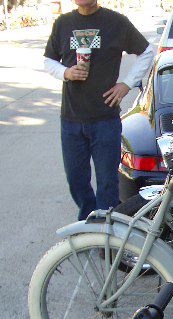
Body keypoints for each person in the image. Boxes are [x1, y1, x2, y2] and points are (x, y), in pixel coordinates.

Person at [43, 0, 153, 220]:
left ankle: (105, 228)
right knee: (76, 180)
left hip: (105, 120)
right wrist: (66, 73)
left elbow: (147, 52)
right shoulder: (63, 23)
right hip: (71, 120)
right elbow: (48, 60)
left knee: (107, 183)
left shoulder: (116, 22)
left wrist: (126, 84)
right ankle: (88, 220)